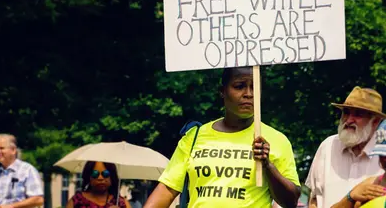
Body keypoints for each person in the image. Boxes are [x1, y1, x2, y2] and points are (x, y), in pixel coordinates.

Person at [143, 67, 301, 208]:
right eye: (239, 86)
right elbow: (167, 190)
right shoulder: (194, 137)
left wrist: (268, 166)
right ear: (222, 91)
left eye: (255, 87)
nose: (248, 94)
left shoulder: (277, 140)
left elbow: (291, 201)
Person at [305, 87, 386, 208]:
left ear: (375, 121)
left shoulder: (383, 154)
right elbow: (314, 200)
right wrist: (351, 196)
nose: (348, 120)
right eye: (346, 112)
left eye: (358, 114)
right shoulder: (327, 146)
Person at [0, 134, 44, 208]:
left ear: (13, 150)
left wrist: (12, 206)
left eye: (1, 148)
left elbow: (39, 199)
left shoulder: (27, 170)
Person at [66, 161, 131, 208]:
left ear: (112, 177)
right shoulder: (76, 201)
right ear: (89, 176)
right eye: (95, 174)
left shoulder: (121, 203)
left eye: (105, 174)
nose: (100, 178)